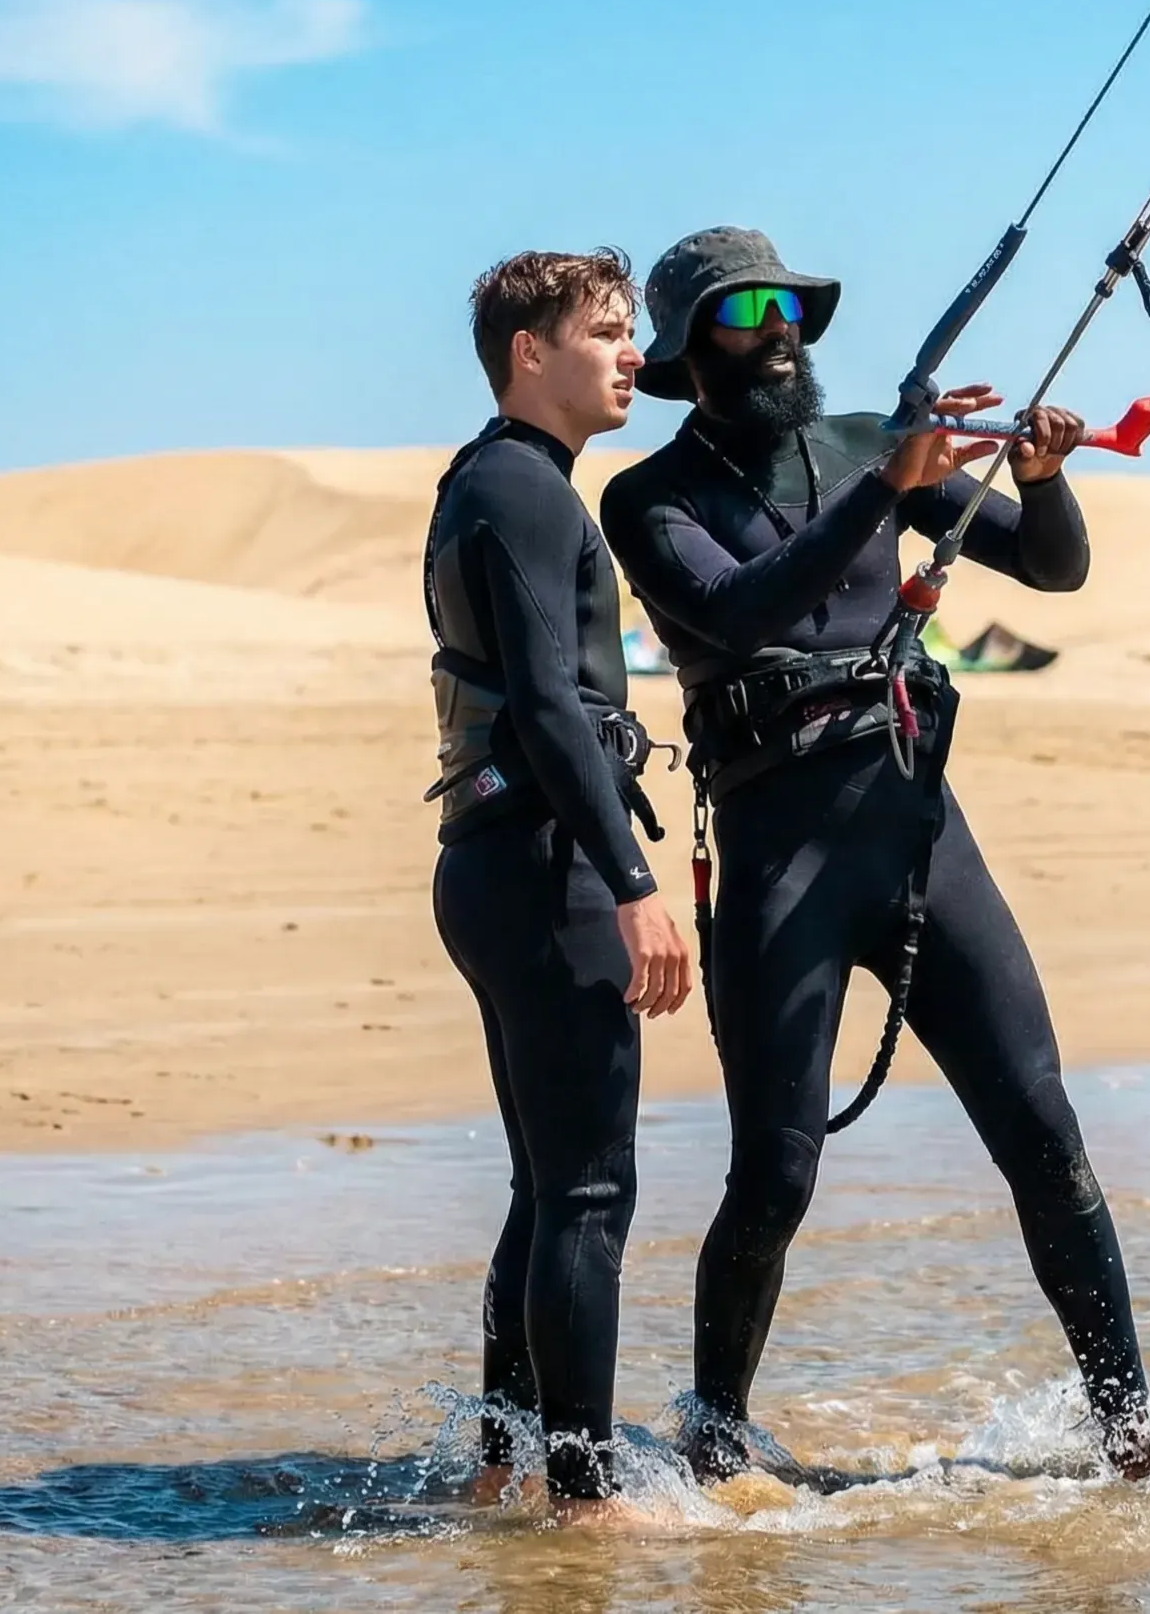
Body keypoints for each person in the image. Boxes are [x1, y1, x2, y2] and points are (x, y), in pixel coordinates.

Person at [599, 226, 1150, 1484]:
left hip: (920, 831)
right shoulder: (647, 499)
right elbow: (742, 610)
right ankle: (715, 1431)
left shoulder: (873, 442)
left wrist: (1041, 475)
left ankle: (1131, 1438)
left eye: (787, 304)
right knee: (774, 1173)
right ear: (685, 351)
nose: (775, 326)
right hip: (779, 856)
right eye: (740, 310)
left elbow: (1053, 567)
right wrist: (889, 484)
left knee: (1044, 1133)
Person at [425, 247, 693, 1516]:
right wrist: (631, 879)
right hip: (543, 866)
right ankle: (583, 1503)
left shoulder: (490, 482)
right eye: (605, 330)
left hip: (494, 860)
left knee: (549, 1185)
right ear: (531, 354)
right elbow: (544, 702)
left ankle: (497, 1470)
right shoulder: (524, 488)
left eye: (633, 328)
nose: (632, 351)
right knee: (590, 1187)